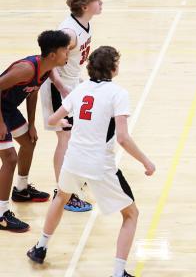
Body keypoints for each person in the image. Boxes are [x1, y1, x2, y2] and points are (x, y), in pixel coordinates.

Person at [27, 45, 156, 274]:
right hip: (100, 165)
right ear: (113, 68)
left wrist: (69, 123)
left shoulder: (80, 89)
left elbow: (54, 120)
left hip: (73, 159)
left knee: (61, 197)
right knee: (131, 214)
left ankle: (40, 247)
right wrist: (146, 162)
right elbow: (123, 138)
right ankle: (118, 272)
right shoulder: (118, 94)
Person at [38, 0, 103, 214]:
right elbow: (47, 61)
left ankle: (72, 180)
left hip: (72, 85)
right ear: (85, 6)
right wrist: (61, 86)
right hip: (59, 88)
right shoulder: (69, 33)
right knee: (65, 139)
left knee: (77, 135)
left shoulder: (85, 24)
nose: (101, 3)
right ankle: (63, 192)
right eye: (97, 0)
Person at [0, 30, 71, 233]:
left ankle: (21, 190)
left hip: (8, 109)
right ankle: (1, 214)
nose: (68, 54)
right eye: (65, 50)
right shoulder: (26, 69)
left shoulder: (45, 70)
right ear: (52, 55)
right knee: (10, 159)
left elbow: (32, 94)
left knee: (29, 143)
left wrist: (31, 124)